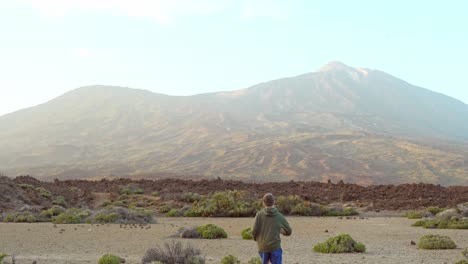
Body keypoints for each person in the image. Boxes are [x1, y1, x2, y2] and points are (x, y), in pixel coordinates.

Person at [252, 193, 292, 264]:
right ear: (274, 202)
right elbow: (289, 231)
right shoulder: (279, 216)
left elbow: (254, 230)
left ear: (263, 203)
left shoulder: (259, 214)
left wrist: (257, 239)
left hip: (262, 246)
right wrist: (280, 231)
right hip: (275, 247)